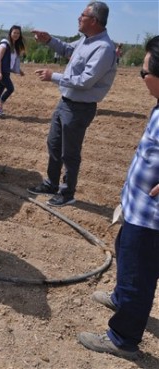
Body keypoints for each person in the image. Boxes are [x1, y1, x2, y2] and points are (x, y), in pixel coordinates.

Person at [78, 35, 159, 359]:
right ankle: (121, 295)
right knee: (127, 254)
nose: (141, 79)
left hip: (151, 216)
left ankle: (123, 338)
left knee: (139, 274)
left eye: (143, 73)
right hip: (138, 207)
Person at [28, 1, 117, 207]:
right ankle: (51, 183)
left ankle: (67, 193)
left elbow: (86, 81)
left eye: (82, 15)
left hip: (79, 108)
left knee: (69, 152)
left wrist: (54, 76)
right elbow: (68, 50)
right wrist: (49, 40)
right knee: (54, 144)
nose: (79, 18)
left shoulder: (103, 48)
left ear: (93, 20)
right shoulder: (86, 41)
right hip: (65, 103)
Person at [0, 25, 26, 118]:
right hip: (2, 71)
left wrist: (19, 70)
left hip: (6, 71)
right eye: (14, 32)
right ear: (10, 33)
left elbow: (12, 62)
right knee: (10, 88)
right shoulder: (4, 44)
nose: (16, 35)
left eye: (18, 33)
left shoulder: (14, 46)